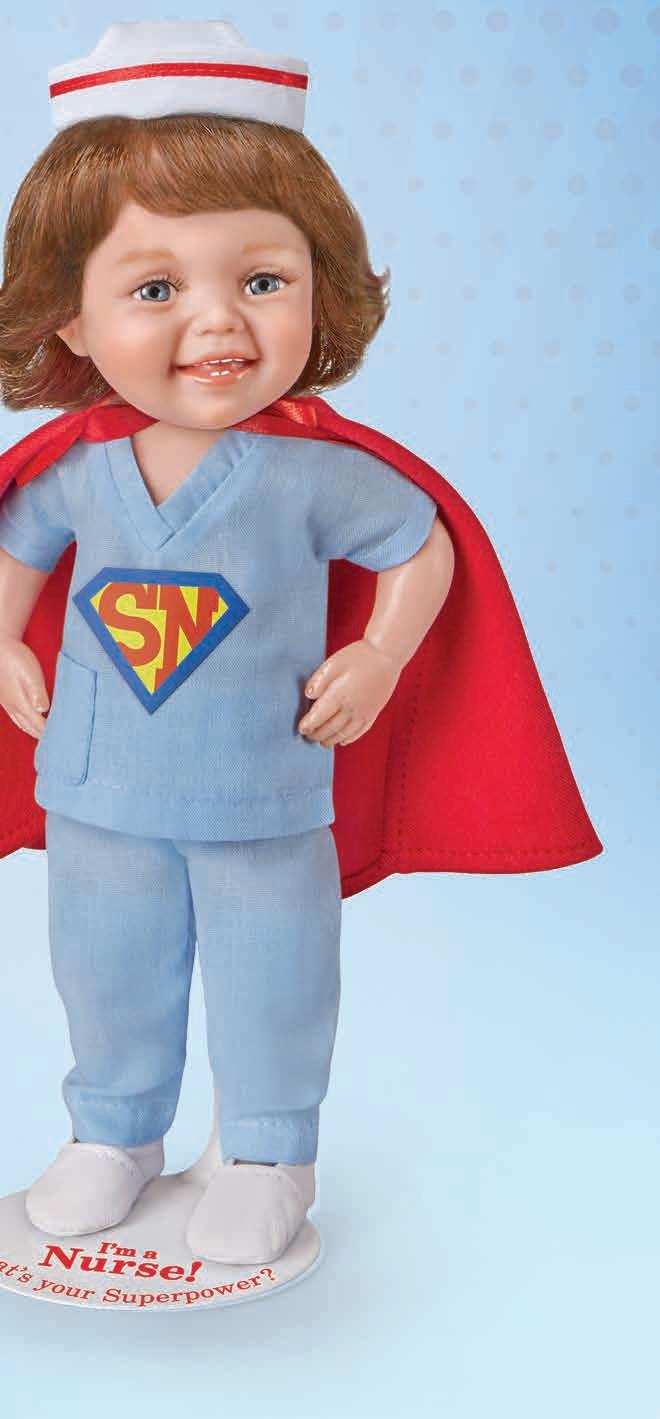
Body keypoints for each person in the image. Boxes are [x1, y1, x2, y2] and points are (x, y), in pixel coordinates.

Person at [0, 21, 602, 1266]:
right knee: (103, 964)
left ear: (320, 285)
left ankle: (269, 1149)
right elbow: (16, 547)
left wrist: (381, 656)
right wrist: (7, 638)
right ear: (69, 319)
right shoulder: (78, 471)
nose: (219, 324)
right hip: (99, 788)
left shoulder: (311, 475)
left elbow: (420, 543)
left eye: (263, 280)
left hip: (265, 792)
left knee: (273, 970)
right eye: (155, 289)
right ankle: (113, 1129)